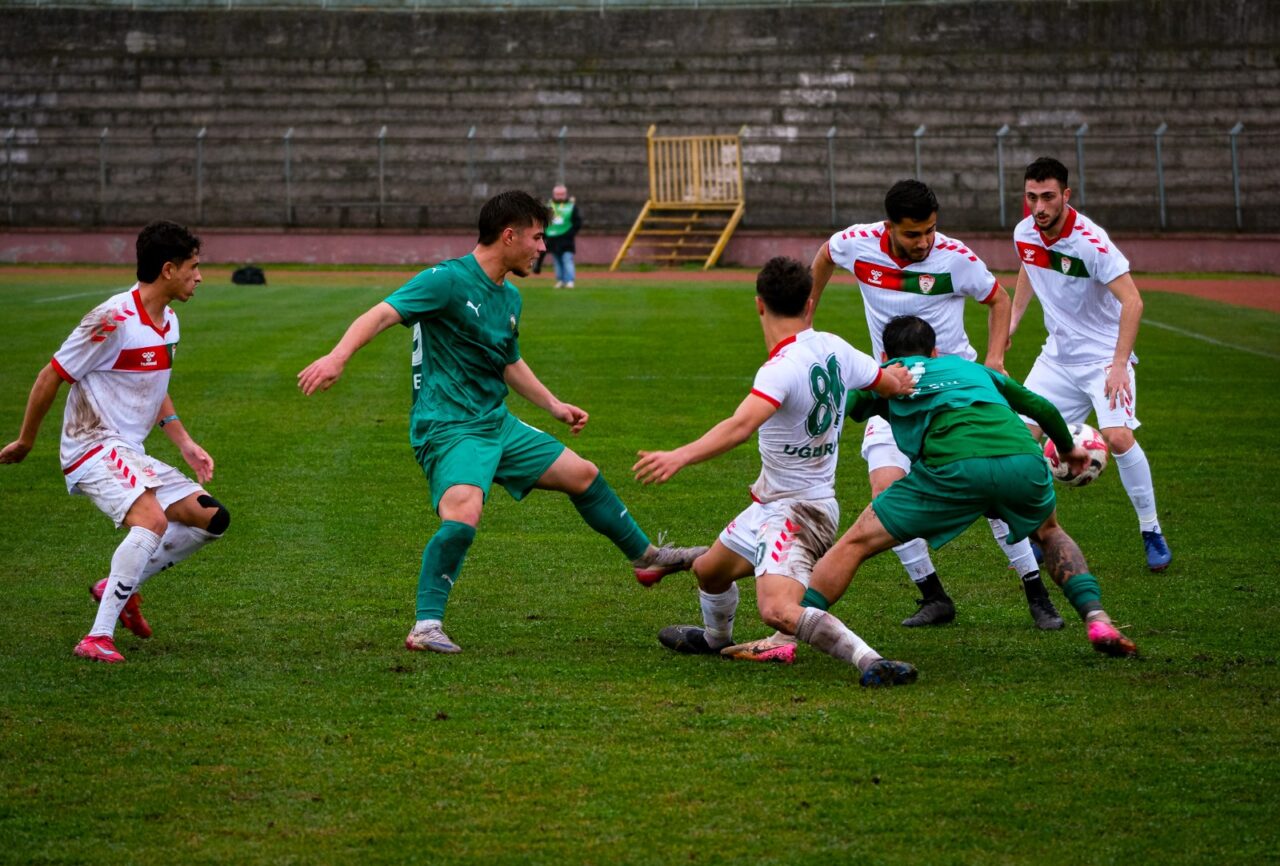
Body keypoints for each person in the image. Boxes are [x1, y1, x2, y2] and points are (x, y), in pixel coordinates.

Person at [298, 190, 704, 654]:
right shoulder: (446, 281)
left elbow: (507, 361)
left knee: (583, 474)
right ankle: (426, 626)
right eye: (536, 237)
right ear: (508, 236)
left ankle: (646, 558)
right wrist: (337, 357)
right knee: (463, 514)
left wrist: (553, 405)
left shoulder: (509, 296)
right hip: (449, 426)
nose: (542, 248)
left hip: (496, 422)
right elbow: (382, 313)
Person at [734, 315, 1137, 662]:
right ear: (935, 351)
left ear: (886, 357)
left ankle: (785, 638)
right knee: (1049, 531)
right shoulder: (974, 370)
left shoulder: (888, 377)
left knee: (854, 543)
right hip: (1021, 459)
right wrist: (1068, 449)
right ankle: (1098, 620)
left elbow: (848, 408)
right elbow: (1043, 409)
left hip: (952, 469)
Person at [632, 257, 918, 687]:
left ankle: (871, 661)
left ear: (758, 305)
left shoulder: (780, 368)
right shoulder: (834, 346)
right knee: (710, 570)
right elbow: (887, 382)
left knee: (777, 611)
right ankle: (715, 639)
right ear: (809, 302)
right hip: (772, 503)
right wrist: (905, 379)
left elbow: (739, 426)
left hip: (801, 511)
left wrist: (679, 456)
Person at [810, 179, 1062, 630]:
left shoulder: (956, 258)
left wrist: (995, 360)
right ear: (888, 227)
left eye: (930, 230)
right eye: (913, 234)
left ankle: (1036, 592)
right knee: (884, 493)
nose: (925, 241)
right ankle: (933, 596)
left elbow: (998, 298)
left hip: (957, 396)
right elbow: (826, 255)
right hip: (894, 393)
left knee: (993, 495)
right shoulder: (857, 244)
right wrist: (808, 314)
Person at [0, 221, 230, 664]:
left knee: (212, 519)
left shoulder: (169, 322)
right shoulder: (112, 319)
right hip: (91, 445)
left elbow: (155, 383)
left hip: (128, 451)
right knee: (152, 521)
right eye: (194, 267)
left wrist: (183, 441)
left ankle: (118, 585)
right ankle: (97, 636)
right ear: (168, 269)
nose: (199, 276)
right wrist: (27, 441)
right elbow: (51, 375)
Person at [1012, 157, 1171, 571]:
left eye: (1048, 197)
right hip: (1057, 357)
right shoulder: (1025, 232)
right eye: (1032, 197)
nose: (1039, 206)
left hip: (1103, 356)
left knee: (1118, 438)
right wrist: (1012, 321)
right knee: (1019, 438)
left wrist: (1119, 364)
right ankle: (1035, 532)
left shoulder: (1092, 242)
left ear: (1066, 195)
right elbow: (1029, 267)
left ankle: (1151, 530)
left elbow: (1133, 301)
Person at [538, 184, 581, 289]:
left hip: (566, 239)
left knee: (567, 259)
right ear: (554, 194)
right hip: (552, 239)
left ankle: (570, 281)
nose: (560, 196)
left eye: (562, 194)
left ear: (565, 194)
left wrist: (570, 233)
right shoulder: (548, 206)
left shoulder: (571, 206)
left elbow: (577, 222)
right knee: (557, 260)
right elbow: (543, 222)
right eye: (558, 194)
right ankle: (560, 280)